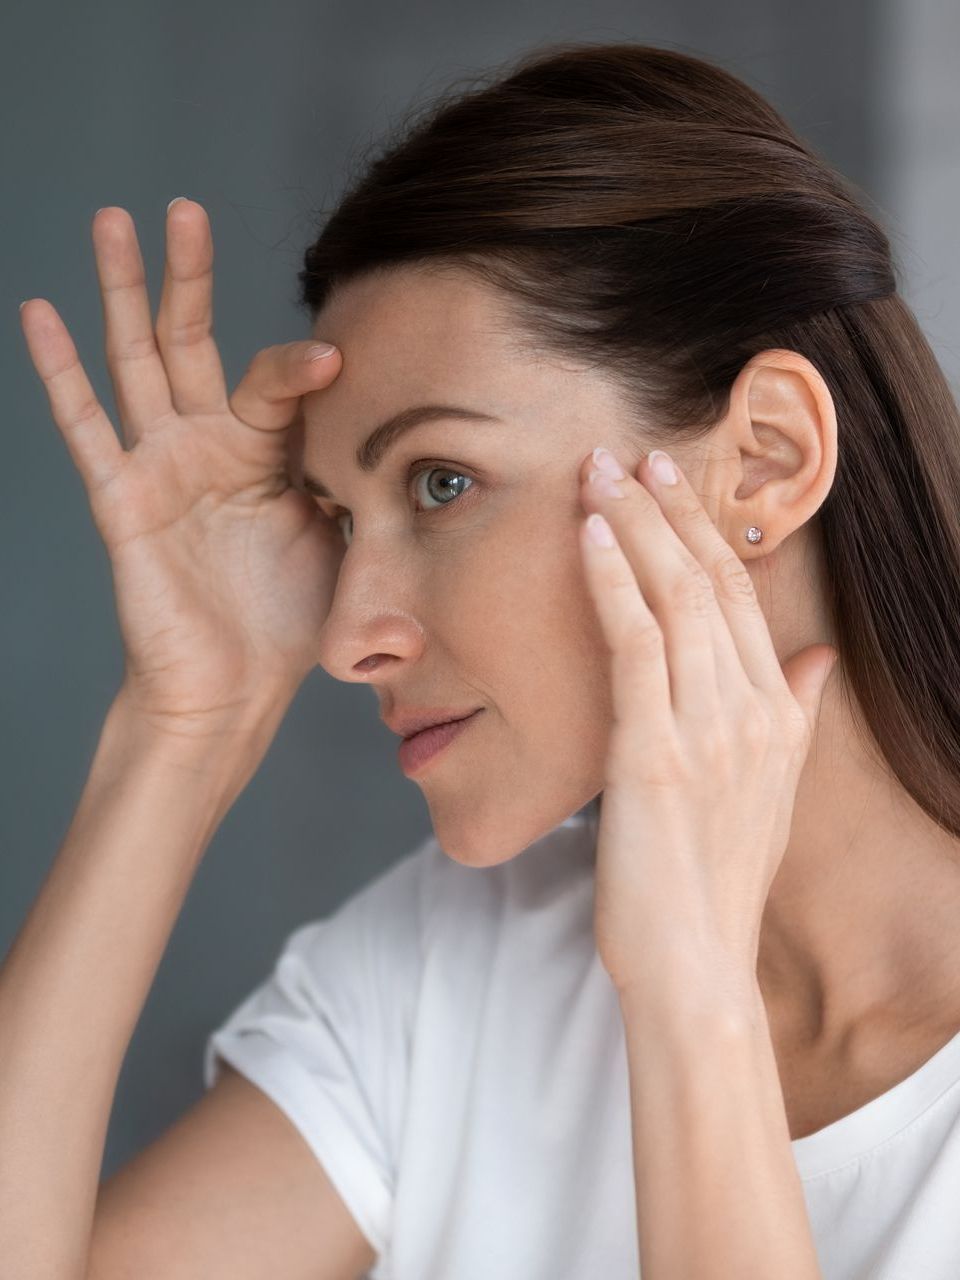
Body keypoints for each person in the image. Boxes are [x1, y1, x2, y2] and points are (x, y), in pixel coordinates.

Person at [5, 37, 960, 1280]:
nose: (350, 636)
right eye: (344, 520)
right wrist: (183, 731)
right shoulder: (450, 964)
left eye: (443, 481)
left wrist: (691, 995)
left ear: (767, 460)